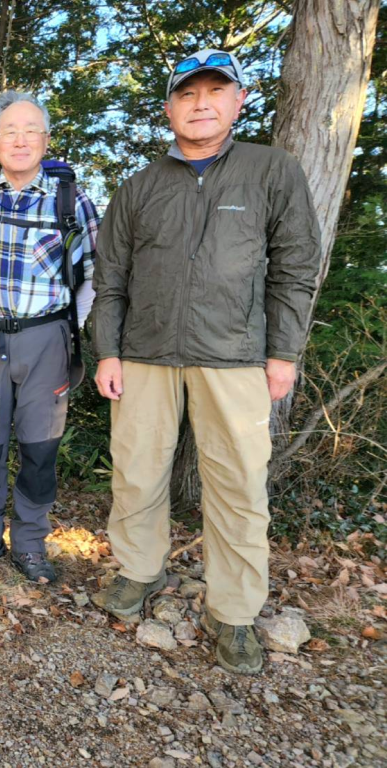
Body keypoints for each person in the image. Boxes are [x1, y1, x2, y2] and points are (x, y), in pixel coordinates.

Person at [89, 49, 321, 675]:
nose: (201, 104)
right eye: (187, 95)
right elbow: (109, 278)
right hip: (144, 355)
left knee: (239, 486)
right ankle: (138, 571)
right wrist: (107, 350)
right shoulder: (139, 187)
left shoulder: (272, 171)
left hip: (237, 357)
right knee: (136, 473)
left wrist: (283, 352)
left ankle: (236, 610)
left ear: (237, 102)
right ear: (169, 109)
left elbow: (297, 268)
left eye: (215, 91)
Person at [0, 90, 100, 582]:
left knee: (40, 446)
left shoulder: (72, 202)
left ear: (46, 139)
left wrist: (64, 328)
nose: (20, 139)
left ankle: (31, 543)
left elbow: (93, 275)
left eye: (30, 129)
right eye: (9, 131)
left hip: (46, 339)